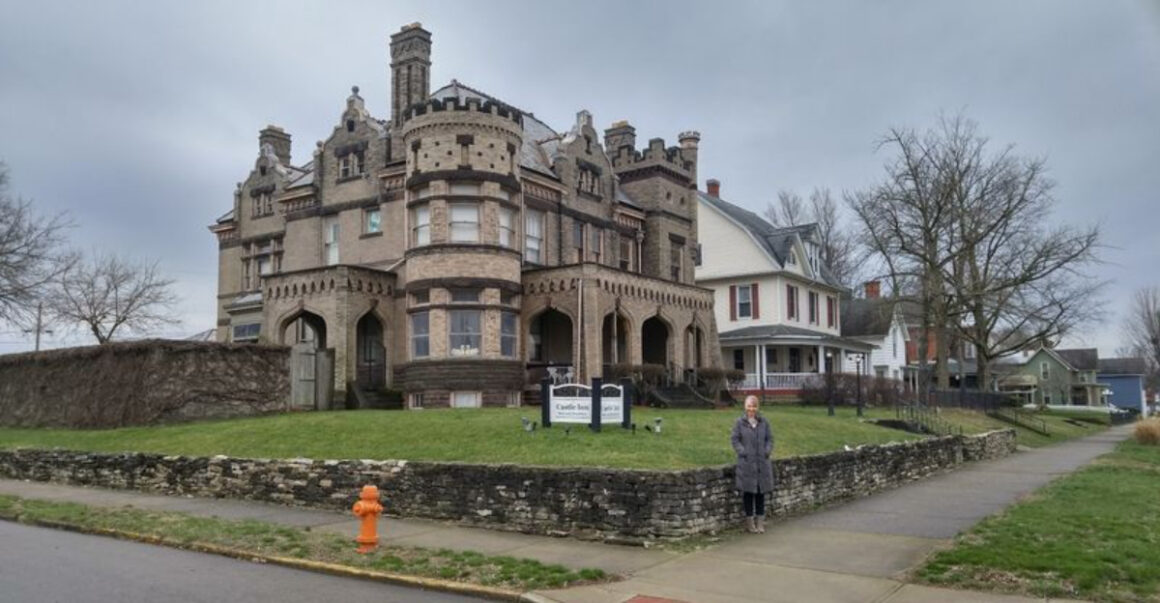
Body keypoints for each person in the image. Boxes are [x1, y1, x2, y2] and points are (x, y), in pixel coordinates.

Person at [731, 395, 774, 533]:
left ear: (757, 407)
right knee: (748, 493)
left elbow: (770, 439)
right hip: (747, 464)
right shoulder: (739, 422)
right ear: (745, 407)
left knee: (761, 494)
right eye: (749, 406)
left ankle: (760, 523)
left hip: (762, 463)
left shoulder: (764, 422)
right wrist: (743, 452)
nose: (751, 409)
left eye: (754, 406)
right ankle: (750, 524)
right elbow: (735, 439)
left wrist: (767, 451)